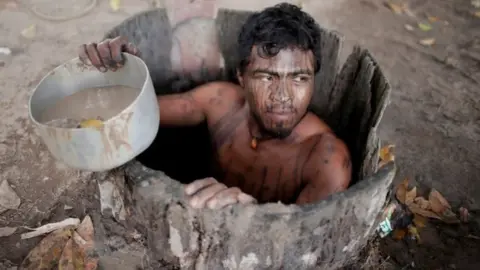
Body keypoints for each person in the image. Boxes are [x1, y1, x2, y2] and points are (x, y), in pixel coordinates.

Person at [78, 3, 351, 209]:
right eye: (267, 77)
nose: (283, 96)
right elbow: (137, 112)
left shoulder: (325, 160)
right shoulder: (221, 102)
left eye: (299, 78)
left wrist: (251, 214)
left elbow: (302, 243)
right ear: (241, 77)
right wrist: (120, 71)